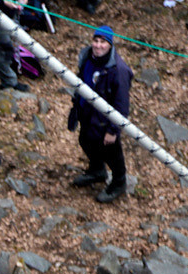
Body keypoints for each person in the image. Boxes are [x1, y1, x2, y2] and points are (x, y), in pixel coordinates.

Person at [67, 25, 132, 202]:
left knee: (111, 152)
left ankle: (119, 183)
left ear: (110, 45)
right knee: (85, 141)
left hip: (105, 121)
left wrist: (113, 130)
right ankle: (97, 170)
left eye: (103, 42)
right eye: (95, 41)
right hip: (86, 113)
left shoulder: (118, 71)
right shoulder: (87, 57)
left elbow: (121, 105)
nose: (98, 45)